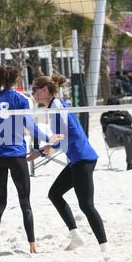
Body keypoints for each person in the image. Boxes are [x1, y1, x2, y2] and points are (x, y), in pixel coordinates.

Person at [0, 66, 63, 257]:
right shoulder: (22, 99)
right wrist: (49, 139)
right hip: (17, 156)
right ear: (17, 80)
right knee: (25, 202)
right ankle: (32, 246)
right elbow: (31, 128)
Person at [27, 74, 108, 252]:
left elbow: (59, 138)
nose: (32, 93)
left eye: (35, 90)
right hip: (76, 159)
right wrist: (42, 149)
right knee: (55, 194)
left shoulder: (57, 107)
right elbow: (59, 138)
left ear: (45, 90)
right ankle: (76, 237)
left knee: (86, 205)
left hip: (83, 159)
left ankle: (104, 247)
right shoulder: (55, 106)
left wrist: (40, 151)